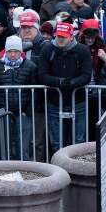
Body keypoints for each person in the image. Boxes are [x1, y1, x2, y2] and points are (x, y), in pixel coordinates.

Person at [37, 22, 93, 151]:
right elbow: (42, 75)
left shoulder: (82, 50)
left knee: (79, 141)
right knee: (56, 142)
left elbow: (86, 75)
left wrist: (72, 83)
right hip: (55, 102)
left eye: (64, 36)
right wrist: (60, 82)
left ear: (71, 36)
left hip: (78, 101)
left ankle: (78, 169)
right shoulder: (47, 49)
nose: (60, 39)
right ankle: (59, 168)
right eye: (58, 36)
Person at [0, 35, 38, 160]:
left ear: (21, 51)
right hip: (3, 112)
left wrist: (29, 111)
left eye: (16, 51)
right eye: (10, 51)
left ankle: (25, 171)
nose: (13, 54)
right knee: (4, 146)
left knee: (23, 146)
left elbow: (35, 91)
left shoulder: (30, 66)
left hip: (23, 112)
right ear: (6, 51)